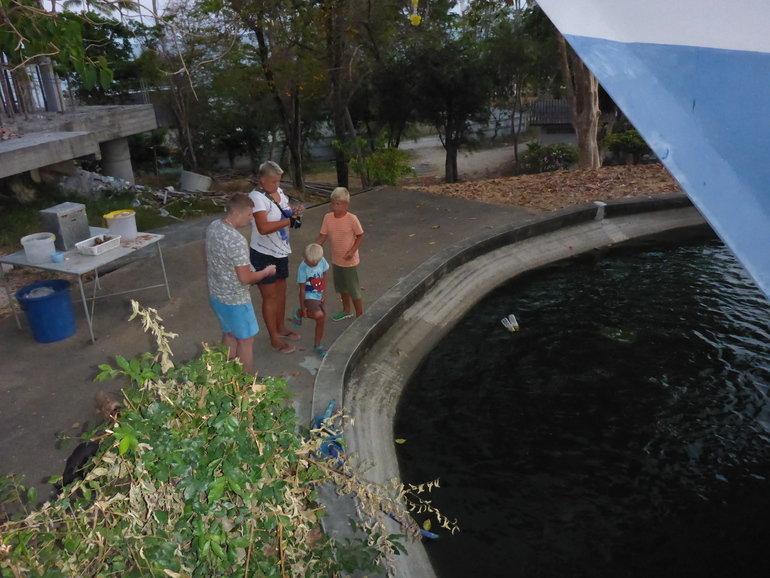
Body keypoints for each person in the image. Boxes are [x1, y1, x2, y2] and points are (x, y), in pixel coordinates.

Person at [205, 193, 276, 374]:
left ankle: (225, 376)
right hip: (236, 301)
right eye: (249, 214)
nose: (251, 218)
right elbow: (245, 278)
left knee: (229, 334)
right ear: (237, 213)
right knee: (246, 341)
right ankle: (246, 384)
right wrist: (266, 272)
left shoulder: (213, 227)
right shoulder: (237, 241)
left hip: (217, 294)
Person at [248, 161, 304, 353]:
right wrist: (289, 220)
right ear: (262, 180)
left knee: (281, 293)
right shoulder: (256, 198)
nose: (277, 185)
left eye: (279, 181)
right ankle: (274, 338)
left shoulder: (278, 192)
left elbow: (286, 212)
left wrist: (295, 212)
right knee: (270, 297)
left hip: (281, 251)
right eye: (274, 181)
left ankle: (281, 327)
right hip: (263, 254)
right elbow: (263, 228)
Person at [315, 187, 364, 321]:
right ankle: (347, 310)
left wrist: (352, 251)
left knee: (353, 288)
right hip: (336, 260)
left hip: (350, 261)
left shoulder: (352, 219)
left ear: (346, 205)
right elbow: (323, 235)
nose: (334, 207)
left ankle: (360, 315)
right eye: (333, 203)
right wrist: (313, 248)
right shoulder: (328, 218)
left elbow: (360, 235)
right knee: (342, 287)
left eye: (338, 204)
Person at [295, 243, 330, 356]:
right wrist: (303, 307)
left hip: (319, 294)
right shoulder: (302, 268)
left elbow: (324, 275)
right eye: (309, 263)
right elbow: (302, 290)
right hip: (308, 296)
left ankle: (317, 344)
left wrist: (324, 292)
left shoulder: (322, 260)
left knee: (321, 319)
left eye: (314, 263)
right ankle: (300, 312)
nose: (312, 265)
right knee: (319, 316)